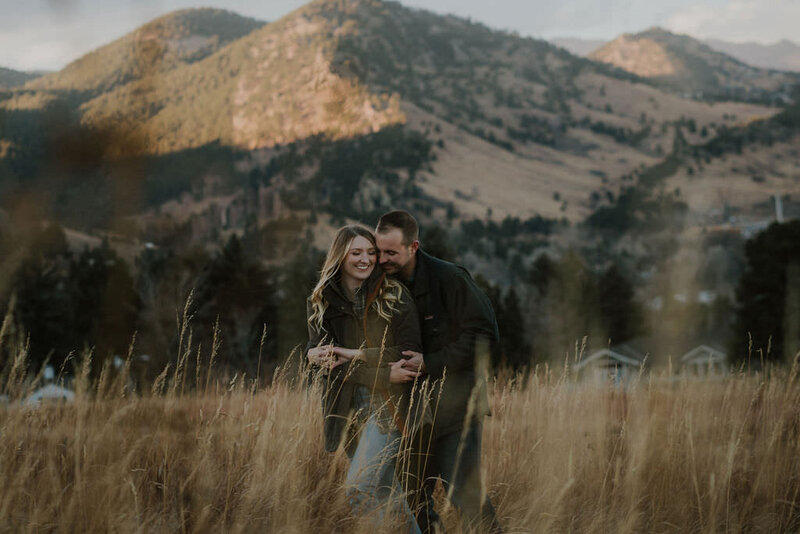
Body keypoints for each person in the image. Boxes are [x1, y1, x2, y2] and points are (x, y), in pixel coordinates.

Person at [375, 210, 503, 533]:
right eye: (379, 251)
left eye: (391, 252)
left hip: (456, 408)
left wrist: (430, 363)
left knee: (465, 494)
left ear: (413, 246)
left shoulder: (450, 278)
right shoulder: (381, 285)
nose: (382, 259)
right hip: (412, 414)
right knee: (412, 498)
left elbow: (485, 334)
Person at [305, 224, 429, 533]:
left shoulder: (394, 294)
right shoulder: (322, 301)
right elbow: (325, 359)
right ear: (340, 256)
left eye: (371, 253)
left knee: (359, 489)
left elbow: (410, 355)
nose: (366, 259)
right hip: (348, 411)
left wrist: (355, 355)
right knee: (387, 493)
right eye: (356, 252)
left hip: (391, 407)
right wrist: (311, 355)